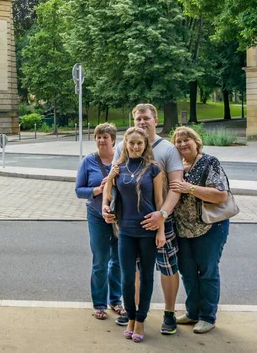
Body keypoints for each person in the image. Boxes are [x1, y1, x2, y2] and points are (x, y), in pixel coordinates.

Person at [112, 104, 183, 335]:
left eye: (146, 118)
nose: (142, 122)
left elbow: (175, 187)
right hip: (130, 223)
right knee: (131, 271)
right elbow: (114, 181)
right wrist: (108, 206)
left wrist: (161, 216)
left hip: (162, 218)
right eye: (138, 118)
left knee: (166, 267)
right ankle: (133, 315)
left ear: (155, 119)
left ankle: (169, 314)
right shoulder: (123, 146)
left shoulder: (167, 149)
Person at [102, 127, 164, 343]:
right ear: (125, 145)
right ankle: (130, 317)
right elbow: (107, 192)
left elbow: (159, 202)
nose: (136, 147)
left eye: (140, 143)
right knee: (127, 278)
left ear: (145, 144)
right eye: (132, 143)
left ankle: (140, 320)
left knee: (146, 278)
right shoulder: (118, 167)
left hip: (148, 230)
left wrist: (161, 231)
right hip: (125, 231)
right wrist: (105, 207)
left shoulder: (154, 168)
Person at [169, 126, 231, 334]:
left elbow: (221, 195)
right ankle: (192, 312)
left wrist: (191, 188)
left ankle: (207, 316)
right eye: (178, 141)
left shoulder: (209, 162)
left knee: (207, 271)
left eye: (186, 140)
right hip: (182, 229)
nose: (182, 144)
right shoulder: (175, 165)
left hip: (210, 226)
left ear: (197, 142)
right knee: (187, 271)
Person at [75, 123, 126, 320]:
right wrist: (97, 189)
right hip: (97, 215)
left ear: (113, 139)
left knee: (119, 260)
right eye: (98, 137)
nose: (101, 140)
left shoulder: (122, 159)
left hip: (119, 216)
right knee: (100, 261)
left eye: (105, 137)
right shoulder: (89, 161)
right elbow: (79, 190)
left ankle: (115, 300)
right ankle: (99, 304)